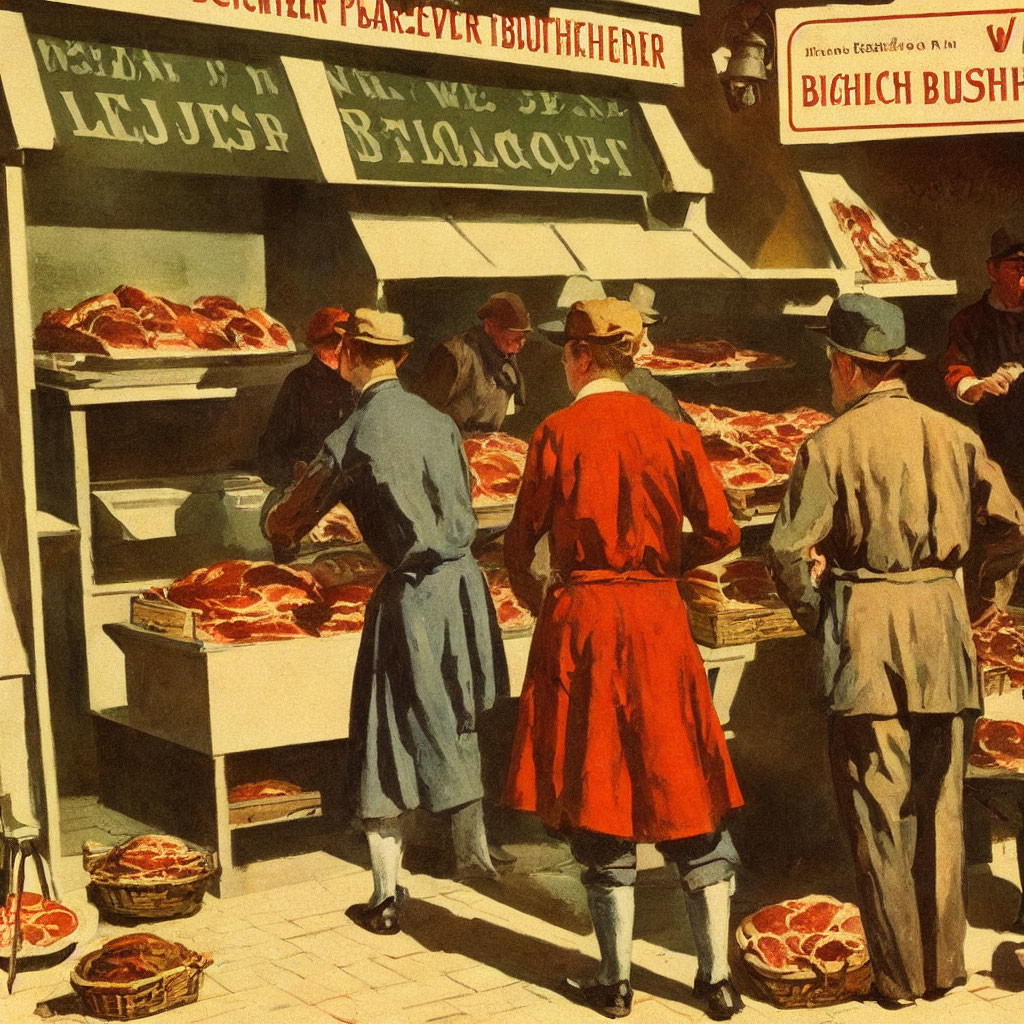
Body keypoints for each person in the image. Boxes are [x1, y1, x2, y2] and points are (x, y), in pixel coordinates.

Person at [767, 293, 1024, 1007]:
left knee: (879, 814)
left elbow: (787, 551)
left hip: (865, 636)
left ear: (849, 368)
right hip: (942, 631)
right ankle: (943, 968)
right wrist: (976, 604)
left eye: (830, 364)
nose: (830, 376)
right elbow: (1012, 529)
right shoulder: (955, 436)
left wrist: (822, 614)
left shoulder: (827, 445)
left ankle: (900, 978)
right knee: (942, 810)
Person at [502, 297, 746, 1020]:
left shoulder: (555, 431)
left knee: (597, 783)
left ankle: (614, 981)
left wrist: (541, 594)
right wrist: (665, 563)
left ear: (579, 358)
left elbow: (520, 544)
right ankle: (717, 979)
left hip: (582, 622)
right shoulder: (672, 431)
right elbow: (724, 531)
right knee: (684, 785)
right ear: (631, 356)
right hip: (658, 620)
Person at [265, 309, 509, 933]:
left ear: (349, 356)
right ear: (398, 358)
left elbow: (289, 522)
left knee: (385, 738)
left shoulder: (352, 433)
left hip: (412, 597)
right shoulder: (439, 421)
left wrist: (278, 525)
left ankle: (386, 895)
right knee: (458, 716)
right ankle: (475, 859)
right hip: (465, 587)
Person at [941, 225, 1024, 494]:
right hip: (998, 448)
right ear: (993, 271)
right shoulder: (970, 322)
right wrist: (977, 387)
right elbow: (956, 370)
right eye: (1019, 271)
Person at [257, 307, 357, 492]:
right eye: (344, 341)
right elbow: (271, 452)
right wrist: (297, 477)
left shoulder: (356, 380)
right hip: (312, 489)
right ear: (333, 345)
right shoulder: (300, 382)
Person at [415, 292, 531, 433]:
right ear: (490, 326)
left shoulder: (506, 351)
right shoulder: (453, 355)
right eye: (515, 335)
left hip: (488, 446)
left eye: (524, 335)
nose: (522, 342)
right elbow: (422, 413)